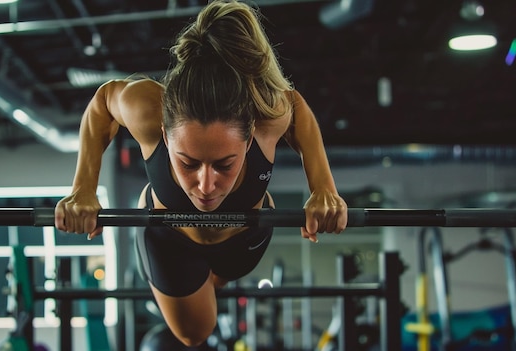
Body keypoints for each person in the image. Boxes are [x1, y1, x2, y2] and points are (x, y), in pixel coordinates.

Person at [55, 0, 348, 347]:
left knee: (213, 287)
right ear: (164, 135)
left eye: (224, 164)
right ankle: (192, 283)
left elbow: (296, 107)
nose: (206, 185)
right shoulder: (147, 109)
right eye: (188, 162)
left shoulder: (269, 114)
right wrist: (83, 188)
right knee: (196, 332)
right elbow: (104, 101)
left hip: (243, 243)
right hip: (172, 243)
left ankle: (204, 281)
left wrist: (324, 188)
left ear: (250, 135)